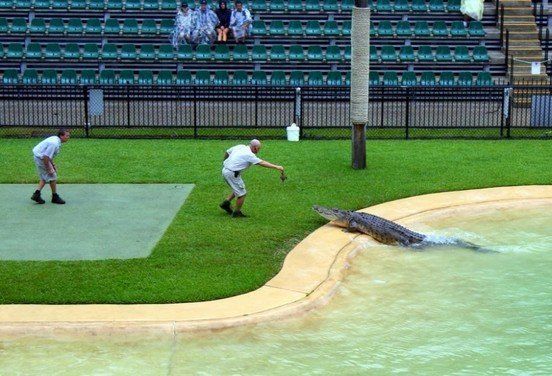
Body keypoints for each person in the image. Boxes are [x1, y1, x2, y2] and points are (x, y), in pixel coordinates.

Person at [220, 139, 285, 218]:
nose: (259, 150)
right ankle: (236, 213)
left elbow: (227, 152)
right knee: (242, 194)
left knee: (239, 188)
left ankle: (226, 203)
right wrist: (277, 167)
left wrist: (225, 161)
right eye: (259, 148)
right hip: (232, 174)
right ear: (255, 148)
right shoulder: (249, 154)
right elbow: (261, 163)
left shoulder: (240, 146)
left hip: (225, 170)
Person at [31, 129, 70, 205]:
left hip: (40, 157)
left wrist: (52, 164)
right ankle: (54, 197)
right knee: (52, 175)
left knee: (44, 177)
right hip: (41, 158)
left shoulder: (56, 140)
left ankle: (36, 194)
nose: (68, 137)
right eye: (67, 136)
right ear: (61, 136)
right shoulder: (54, 143)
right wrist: (49, 168)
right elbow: (46, 157)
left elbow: (49, 155)